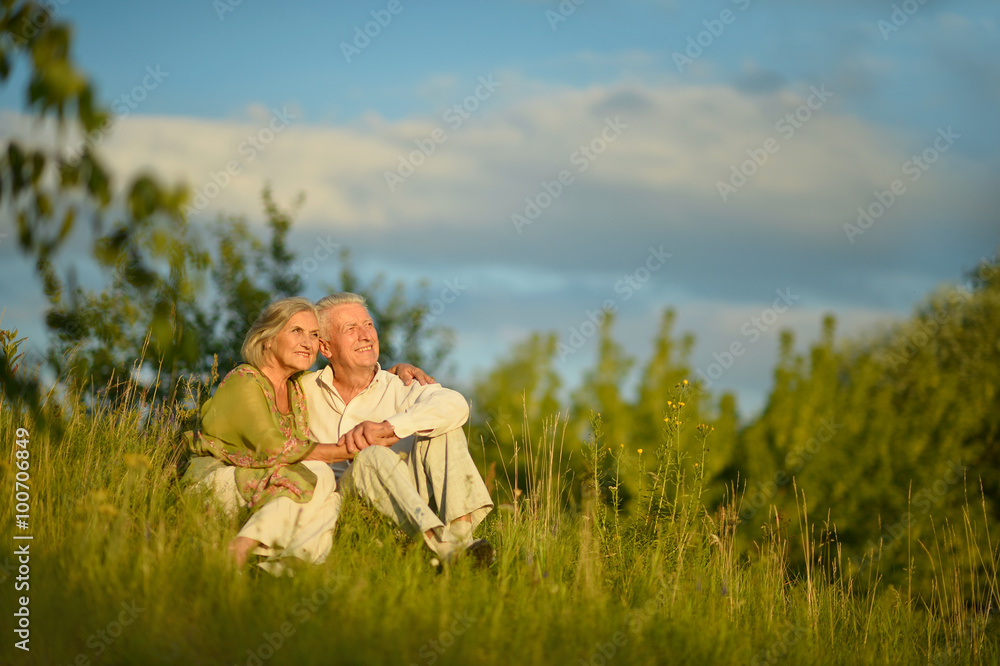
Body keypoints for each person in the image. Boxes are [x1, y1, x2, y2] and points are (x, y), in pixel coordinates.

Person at [181, 297, 426, 573]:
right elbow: (274, 448)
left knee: (332, 498)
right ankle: (239, 550)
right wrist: (351, 448)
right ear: (268, 339)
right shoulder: (244, 381)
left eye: (314, 335)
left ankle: (284, 568)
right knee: (320, 473)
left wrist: (391, 372)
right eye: (296, 331)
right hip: (217, 483)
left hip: (269, 483)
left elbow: (352, 376)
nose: (307, 342)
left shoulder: (297, 390)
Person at [302, 292, 495, 564]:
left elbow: (455, 404)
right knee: (370, 457)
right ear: (326, 348)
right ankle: (448, 549)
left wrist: (390, 428)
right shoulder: (303, 390)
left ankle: (461, 540)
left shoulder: (401, 385)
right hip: (344, 508)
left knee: (442, 425)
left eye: (368, 324)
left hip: (407, 502)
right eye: (351, 328)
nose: (366, 335)